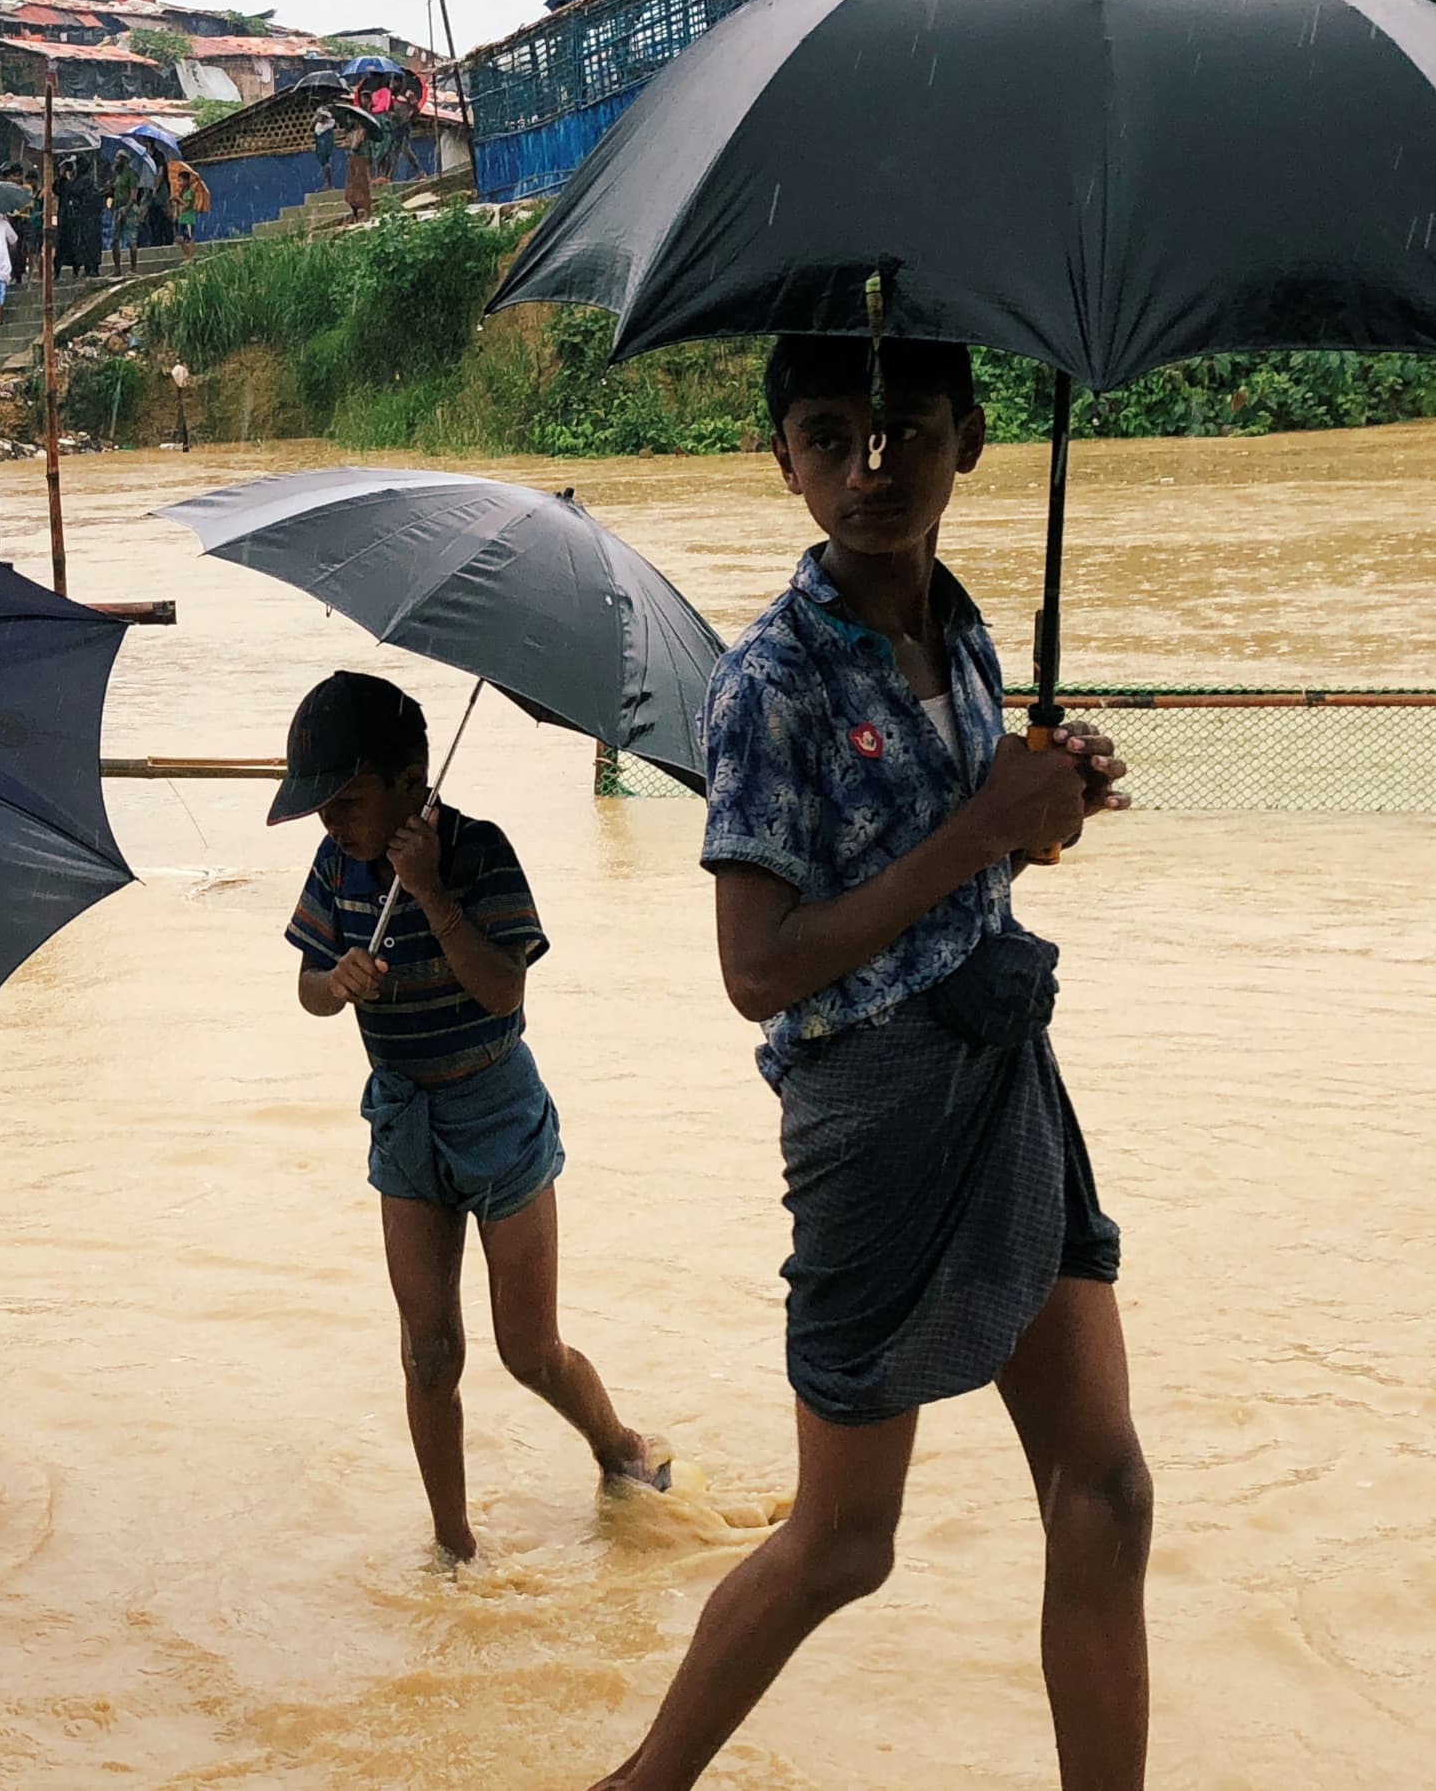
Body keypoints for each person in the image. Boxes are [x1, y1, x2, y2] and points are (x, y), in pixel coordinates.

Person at [587, 337, 1142, 1791]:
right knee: (845, 1542)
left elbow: (973, 868)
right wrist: (976, 829)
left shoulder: (956, 630)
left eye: (902, 433)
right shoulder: (763, 682)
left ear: (967, 436)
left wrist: (1044, 801)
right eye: (827, 438)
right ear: (782, 460)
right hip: (874, 1111)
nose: (868, 471)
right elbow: (755, 969)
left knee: (1105, 1491)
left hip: (1005, 1066)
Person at [277, 670, 670, 1562]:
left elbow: (501, 991)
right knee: (427, 1350)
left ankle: (619, 1447)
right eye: (322, 805)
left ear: (413, 784)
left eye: (347, 800)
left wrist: (430, 895)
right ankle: (453, 1550)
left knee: (527, 1349)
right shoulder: (336, 865)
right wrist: (332, 984)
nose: (330, 822)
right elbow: (305, 985)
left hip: (495, 1105)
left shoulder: (480, 852)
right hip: (403, 1113)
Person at [166, 158, 211, 260]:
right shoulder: (182, 192)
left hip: (189, 219)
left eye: (180, 180)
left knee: (189, 238)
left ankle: (190, 257)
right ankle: (187, 255)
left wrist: (178, 199)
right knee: (180, 239)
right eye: (178, 180)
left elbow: (187, 205)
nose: (179, 182)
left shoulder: (189, 193)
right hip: (182, 219)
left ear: (186, 181)